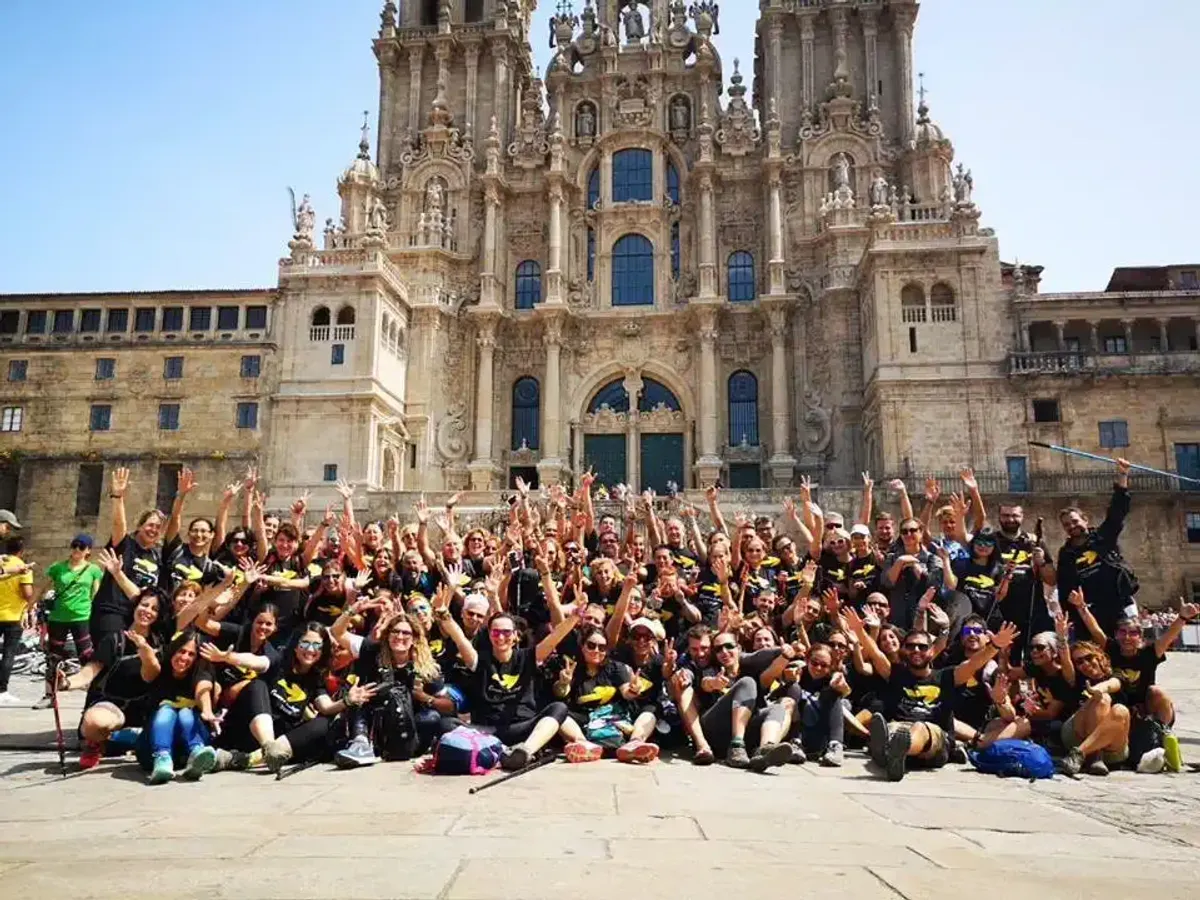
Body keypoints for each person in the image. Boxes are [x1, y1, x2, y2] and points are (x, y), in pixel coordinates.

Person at [845, 605, 1017, 781]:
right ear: (903, 650)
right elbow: (875, 653)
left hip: (935, 738)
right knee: (893, 728)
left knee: (919, 729)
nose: (916, 650)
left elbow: (974, 663)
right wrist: (859, 630)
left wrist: (995, 646)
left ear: (932, 650)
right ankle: (893, 751)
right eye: (910, 646)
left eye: (922, 647)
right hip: (901, 726)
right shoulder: (896, 673)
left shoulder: (948, 676)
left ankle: (891, 751)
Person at [434, 583, 584, 771]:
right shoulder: (479, 659)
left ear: (515, 636)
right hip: (489, 732)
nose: (501, 637)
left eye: (506, 632)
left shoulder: (528, 657)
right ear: (489, 635)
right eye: (496, 632)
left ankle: (524, 752)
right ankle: (502, 751)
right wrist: (443, 613)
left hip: (523, 727)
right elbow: (459, 638)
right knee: (446, 723)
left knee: (558, 708)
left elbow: (554, 638)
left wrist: (575, 617)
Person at [1070, 587, 1196, 772]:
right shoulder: (1112, 649)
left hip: (1144, 708)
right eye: (1123, 632)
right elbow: (1094, 629)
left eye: (1133, 633)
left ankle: (1162, 733)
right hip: (1118, 708)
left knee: (1157, 691)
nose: (1127, 637)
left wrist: (1182, 617)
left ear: (1140, 637)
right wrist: (1081, 606)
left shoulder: (1149, 653)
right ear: (1116, 634)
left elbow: (1169, 636)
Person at [206, 623, 336, 773]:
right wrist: (228, 657)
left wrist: (348, 700)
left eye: (317, 645)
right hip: (250, 731)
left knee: (324, 723)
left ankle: (245, 759)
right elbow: (257, 661)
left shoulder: (316, 679)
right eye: (305, 643)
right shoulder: (279, 659)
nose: (310, 650)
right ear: (295, 645)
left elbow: (327, 707)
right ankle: (268, 747)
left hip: (279, 740)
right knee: (257, 685)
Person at [1057, 458, 1135, 639]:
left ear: (1085, 520)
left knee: (1124, 648)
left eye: (1075, 521)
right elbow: (1064, 587)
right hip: (1087, 614)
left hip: (1118, 605)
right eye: (1067, 524)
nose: (1072, 526)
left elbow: (1117, 511)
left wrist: (1123, 475)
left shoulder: (1103, 536)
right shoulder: (1066, 553)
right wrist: (1067, 615)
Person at [140, 628, 218, 784]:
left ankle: (196, 754)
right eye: (181, 651)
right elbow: (148, 671)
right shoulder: (161, 667)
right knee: (166, 710)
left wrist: (207, 711)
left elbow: (203, 689)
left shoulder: (201, 670)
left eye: (191, 654)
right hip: (153, 747)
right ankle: (162, 759)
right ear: (173, 650)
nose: (184, 657)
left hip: (187, 743)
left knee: (185, 712)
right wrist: (144, 650)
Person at [35, 534, 103, 709]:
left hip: (82, 617)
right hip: (58, 618)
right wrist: (29, 608)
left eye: (81, 547)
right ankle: (49, 695)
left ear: (88, 550)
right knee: (53, 657)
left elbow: (96, 594)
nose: (77, 550)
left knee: (86, 656)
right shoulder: (58, 568)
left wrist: (98, 616)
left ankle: (93, 696)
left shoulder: (93, 570)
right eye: (75, 545)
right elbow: (43, 587)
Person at [0, 535, 35, 705]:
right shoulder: (23, 568)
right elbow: (27, 594)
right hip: (13, 616)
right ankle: (2, 691)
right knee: (8, 653)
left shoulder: (2, 564)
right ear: (22, 551)